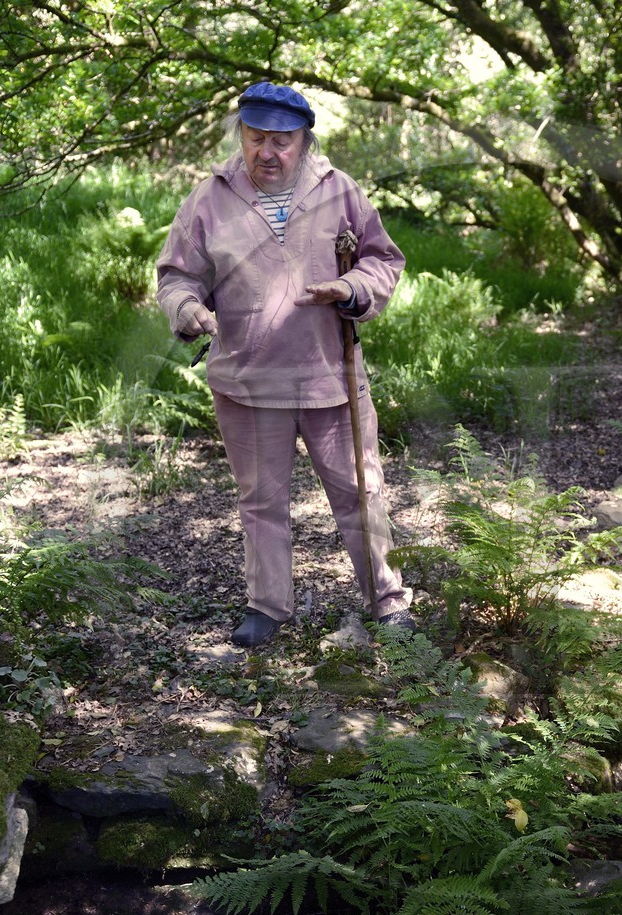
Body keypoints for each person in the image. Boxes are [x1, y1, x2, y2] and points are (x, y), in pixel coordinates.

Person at [156, 81, 415, 647]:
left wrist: (350, 288)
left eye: (282, 141)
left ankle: (386, 599)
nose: (267, 153)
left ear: (304, 142)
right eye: (256, 138)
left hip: (331, 374)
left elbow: (382, 259)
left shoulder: (338, 190)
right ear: (240, 135)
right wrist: (187, 308)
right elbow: (177, 274)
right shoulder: (210, 198)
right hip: (248, 379)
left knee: (359, 489)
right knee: (261, 500)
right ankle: (268, 606)